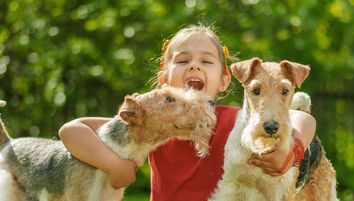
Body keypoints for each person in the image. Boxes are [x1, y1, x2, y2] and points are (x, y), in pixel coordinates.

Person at [59, 24, 316, 201]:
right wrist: (114, 165)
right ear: (164, 78)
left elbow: (304, 118)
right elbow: (71, 131)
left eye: (206, 61)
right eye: (183, 61)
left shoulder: (235, 121)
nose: (194, 66)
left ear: (225, 80)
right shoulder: (151, 121)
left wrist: (292, 150)